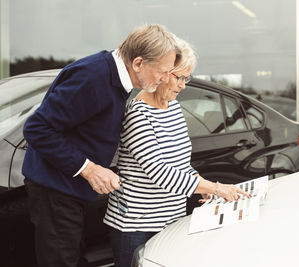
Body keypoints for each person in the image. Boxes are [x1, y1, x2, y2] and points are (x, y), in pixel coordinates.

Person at [22, 24, 181, 267]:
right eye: (163, 71)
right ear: (138, 63)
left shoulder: (117, 77)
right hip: (54, 189)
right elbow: (37, 128)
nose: (165, 79)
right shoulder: (92, 76)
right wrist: (89, 169)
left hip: (71, 190)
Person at [103, 38, 250, 267]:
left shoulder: (173, 107)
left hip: (172, 219)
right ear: (161, 73)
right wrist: (216, 188)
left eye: (186, 78)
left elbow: (180, 164)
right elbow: (160, 172)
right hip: (137, 225)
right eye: (178, 77)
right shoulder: (139, 115)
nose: (183, 85)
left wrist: (203, 186)